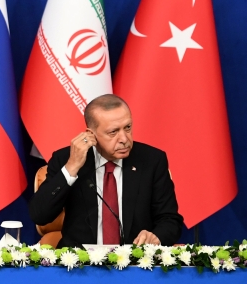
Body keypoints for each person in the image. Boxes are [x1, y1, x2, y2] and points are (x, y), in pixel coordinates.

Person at [29, 94, 183, 248]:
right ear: (91, 134)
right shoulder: (66, 159)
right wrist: (72, 167)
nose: (124, 138)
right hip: (80, 264)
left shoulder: (151, 160)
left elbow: (170, 219)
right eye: (113, 132)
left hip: (136, 263)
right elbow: (40, 215)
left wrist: (156, 236)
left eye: (128, 127)